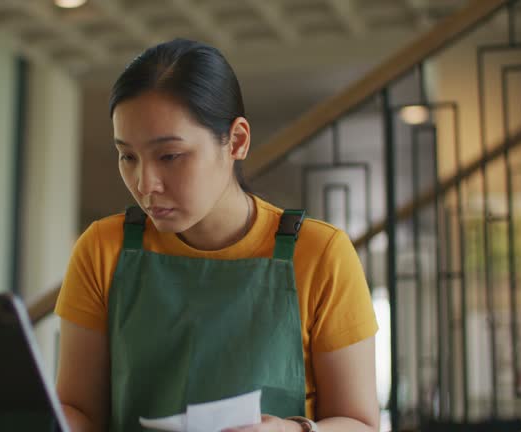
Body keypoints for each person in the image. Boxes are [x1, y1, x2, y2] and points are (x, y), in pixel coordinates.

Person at [54, 39, 379, 432]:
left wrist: (294, 431)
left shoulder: (320, 253)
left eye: (169, 156)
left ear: (237, 141)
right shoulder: (101, 249)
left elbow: (360, 423)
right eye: (128, 156)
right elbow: (80, 412)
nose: (145, 183)